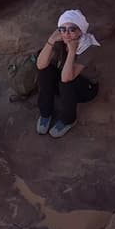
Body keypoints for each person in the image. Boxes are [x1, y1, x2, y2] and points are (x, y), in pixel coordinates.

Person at [35, 8, 100, 137]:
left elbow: (66, 78)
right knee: (45, 70)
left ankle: (68, 119)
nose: (66, 34)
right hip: (64, 79)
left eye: (72, 29)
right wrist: (51, 41)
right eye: (62, 29)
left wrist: (71, 51)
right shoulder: (60, 40)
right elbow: (40, 65)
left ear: (80, 30)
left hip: (84, 89)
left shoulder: (89, 47)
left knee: (67, 82)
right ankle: (46, 113)